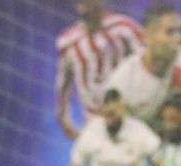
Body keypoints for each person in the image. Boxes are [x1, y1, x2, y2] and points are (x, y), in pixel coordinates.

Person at [55, 1, 145, 140]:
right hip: (95, 121)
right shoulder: (68, 42)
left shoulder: (124, 27)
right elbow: (63, 84)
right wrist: (65, 120)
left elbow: (147, 59)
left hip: (130, 115)